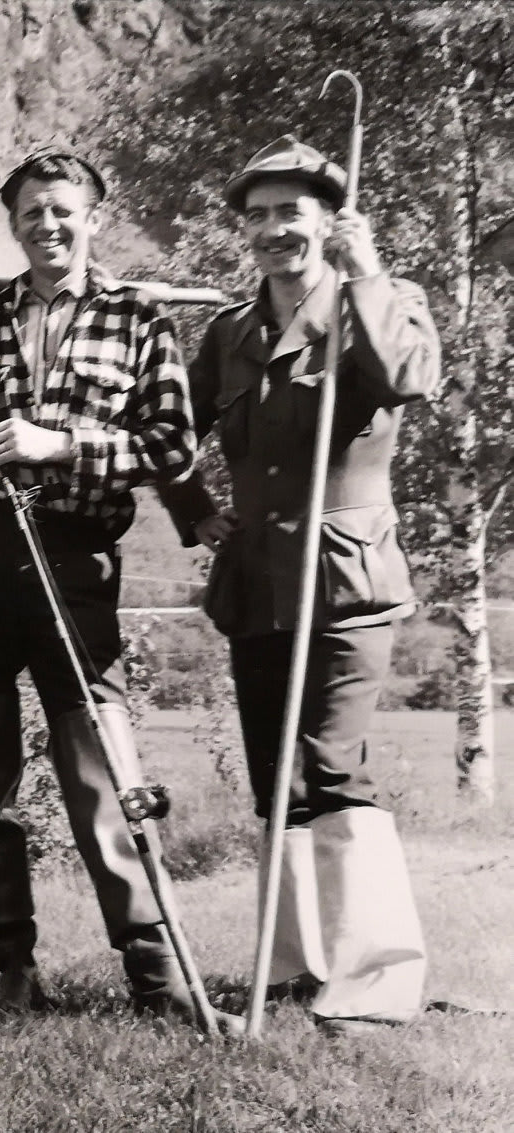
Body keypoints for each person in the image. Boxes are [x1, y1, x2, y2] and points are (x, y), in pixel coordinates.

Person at [0, 149, 219, 1024]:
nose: (48, 224)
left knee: (101, 768)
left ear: (92, 217)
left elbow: (172, 448)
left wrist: (60, 445)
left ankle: (157, 976)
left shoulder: (140, 317)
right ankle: (14, 970)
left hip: (75, 559)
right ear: (15, 224)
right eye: (32, 211)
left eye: (63, 209)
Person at [158, 136, 438, 1036]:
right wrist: (195, 508)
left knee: (331, 763)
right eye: (259, 215)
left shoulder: (381, 301)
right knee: (272, 774)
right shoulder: (230, 333)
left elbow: (408, 378)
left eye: (292, 211)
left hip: (349, 576)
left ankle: (375, 980)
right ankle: (293, 967)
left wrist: (369, 271)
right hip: (257, 582)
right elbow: (168, 429)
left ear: (329, 220)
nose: (275, 229)